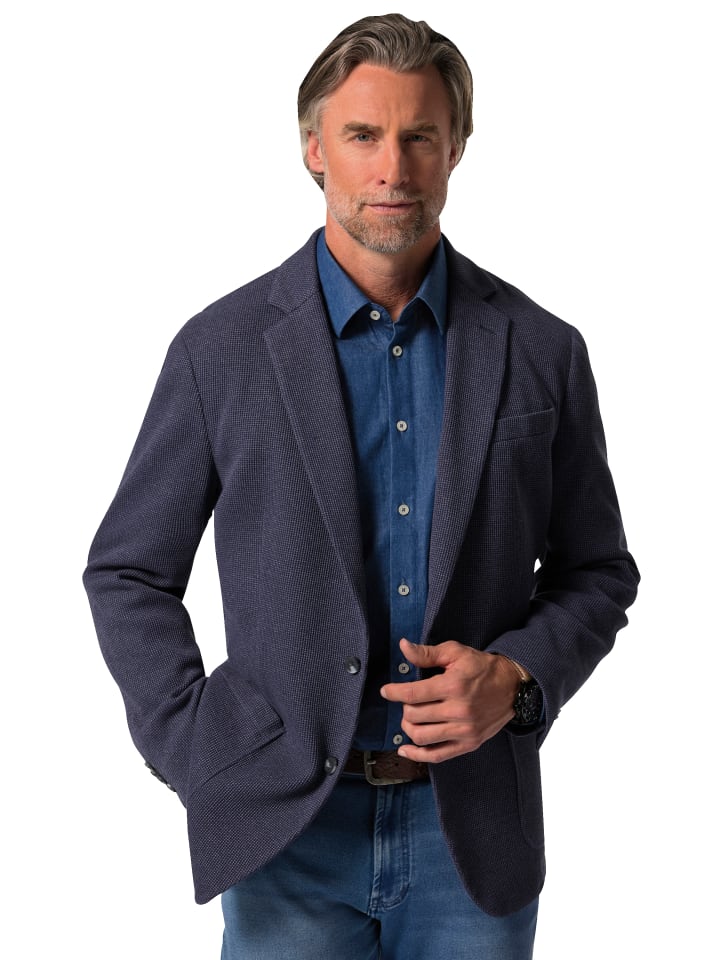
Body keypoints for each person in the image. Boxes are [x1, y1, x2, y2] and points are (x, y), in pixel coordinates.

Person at [83, 13, 639, 960]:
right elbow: (127, 571)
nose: (393, 168)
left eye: (420, 136)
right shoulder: (220, 350)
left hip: (474, 832)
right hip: (285, 830)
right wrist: (199, 749)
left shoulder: (543, 349)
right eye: (363, 135)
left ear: (456, 148)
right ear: (314, 149)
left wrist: (519, 680)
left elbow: (598, 571)